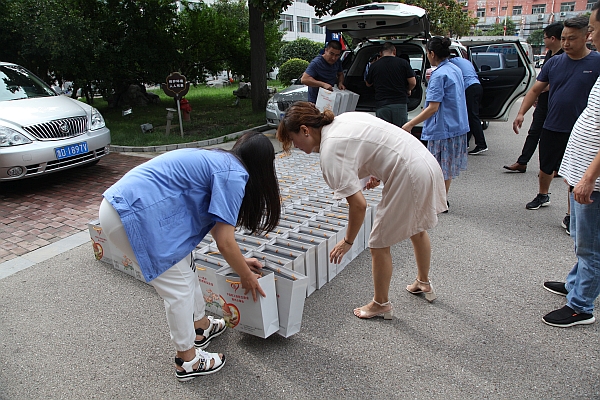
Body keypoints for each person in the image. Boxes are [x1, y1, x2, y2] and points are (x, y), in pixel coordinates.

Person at [98, 132, 281, 381]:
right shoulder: (234, 175)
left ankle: (200, 327)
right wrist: (245, 274)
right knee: (179, 288)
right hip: (130, 216)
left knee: (187, 266)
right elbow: (225, 241)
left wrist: (240, 261)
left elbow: (219, 228)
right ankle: (187, 360)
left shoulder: (222, 162)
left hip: (126, 208)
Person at [276, 101, 447, 320]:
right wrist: (377, 171)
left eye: (293, 140)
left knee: (378, 242)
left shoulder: (330, 150)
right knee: (417, 227)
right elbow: (377, 145)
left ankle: (380, 304)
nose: (294, 146)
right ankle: (423, 282)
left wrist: (347, 241)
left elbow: (358, 205)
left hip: (409, 173)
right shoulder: (343, 120)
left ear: (305, 130)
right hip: (424, 161)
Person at [542, 2, 600, 328]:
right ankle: (576, 285)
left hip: (593, 180)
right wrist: (575, 172)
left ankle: (581, 306)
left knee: (592, 246)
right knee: (581, 238)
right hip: (583, 173)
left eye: (593, 28)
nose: (590, 34)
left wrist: (589, 177)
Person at [513, 16, 600, 211]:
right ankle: (543, 195)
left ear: (586, 36)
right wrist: (521, 113)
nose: (566, 43)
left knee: (576, 173)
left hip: (583, 131)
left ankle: (571, 213)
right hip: (553, 124)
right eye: (564, 38)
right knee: (546, 165)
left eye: (572, 38)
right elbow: (535, 90)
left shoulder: (597, 62)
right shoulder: (554, 62)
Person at [402, 36, 469, 206]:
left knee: (436, 168)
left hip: (442, 128)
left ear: (432, 53)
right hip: (457, 124)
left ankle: (438, 202)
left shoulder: (438, 75)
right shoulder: (455, 69)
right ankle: (441, 199)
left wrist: (410, 124)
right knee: (446, 167)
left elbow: (433, 107)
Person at [504, 22, 564, 173]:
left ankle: (556, 167)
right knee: (534, 132)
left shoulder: (565, 57)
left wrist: (540, 90)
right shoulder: (550, 55)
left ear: (553, 38)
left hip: (557, 104)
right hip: (544, 102)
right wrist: (536, 96)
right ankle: (522, 162)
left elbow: (557, 83)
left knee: (553, 137)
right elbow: (543, 81)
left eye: (545, 37)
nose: (544, 40)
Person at [365, 41, 416, 127]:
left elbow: (368, 84)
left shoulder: (374, 66)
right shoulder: (403, 63)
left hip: (382, 105)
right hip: (399, 104)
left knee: (384, 132)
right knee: (401, 131)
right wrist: (408, 89)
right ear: (394, 51)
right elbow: (413, 82)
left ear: (381, 53)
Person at [449, 55, 487, 155]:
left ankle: (481, 144)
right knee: (469, 116)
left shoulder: (451, 63)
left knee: (472, 116)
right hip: (477, 86)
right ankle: (465, 143)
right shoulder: (465, 61)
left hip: (469, 87)